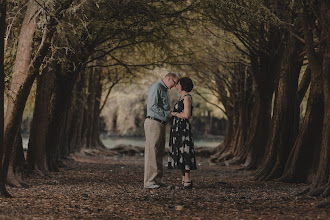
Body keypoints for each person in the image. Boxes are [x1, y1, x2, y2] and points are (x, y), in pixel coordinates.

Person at [144, 72, 180, 189]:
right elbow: (152, 106)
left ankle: (157, 180)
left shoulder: (164, 90)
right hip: (153, 122)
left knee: (159, 152)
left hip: (161, 123)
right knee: (152, 152)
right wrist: (168, 113)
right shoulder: (156, 87)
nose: (175, 86)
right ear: (169, 78)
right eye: (174, 83)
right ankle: (149, 181)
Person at [168, 77, 196, 189]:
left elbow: (186, 115)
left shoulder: (187, 98)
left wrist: (174, 114)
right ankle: (184, 179)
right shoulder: (181, 98)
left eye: (178, 84)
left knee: (185, 152)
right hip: (177, 129)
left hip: (183, 129)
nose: (176, 86)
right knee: (180, 152)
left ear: (182, 85)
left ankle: (187, 180)